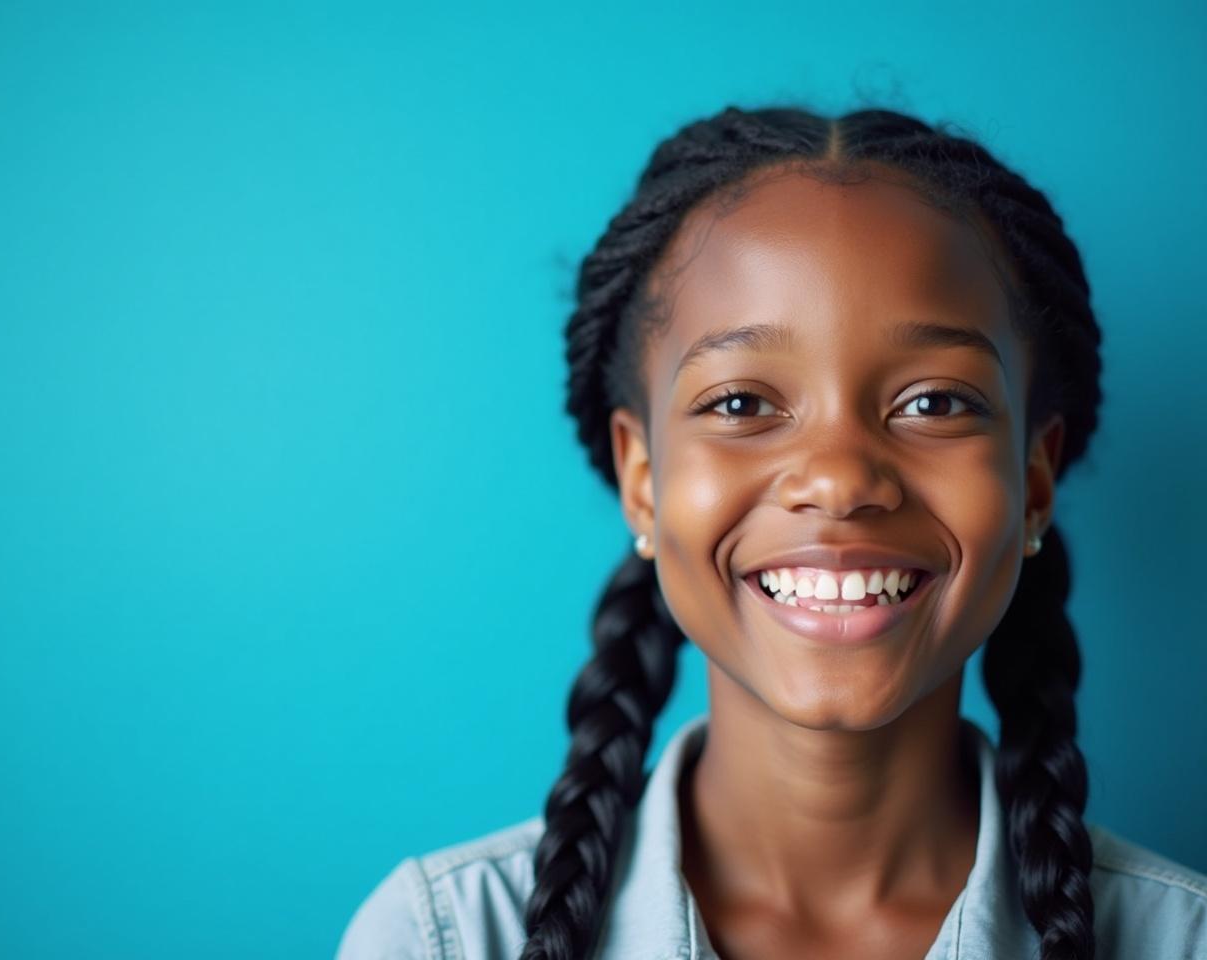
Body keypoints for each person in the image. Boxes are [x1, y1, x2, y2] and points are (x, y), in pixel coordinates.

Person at [336, 105, 1207, 959]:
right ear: (643, 481)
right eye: (742, 404)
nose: (837, 478)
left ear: (1033, 483)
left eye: (935, 402)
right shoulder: (441, 939)